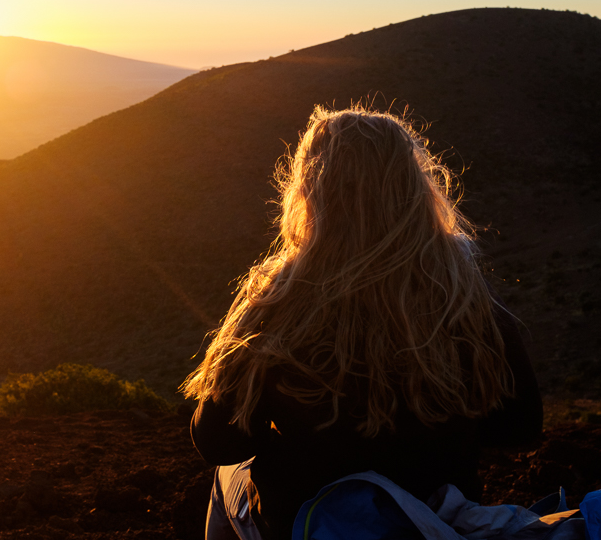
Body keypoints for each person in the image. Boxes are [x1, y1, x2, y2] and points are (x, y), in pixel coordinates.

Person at [181, 106, 543, 540]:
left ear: (311, 190)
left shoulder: (277, 297)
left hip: (309, 520)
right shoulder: (462, 292)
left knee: (227, 478)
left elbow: (218, 442)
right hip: (434, 521)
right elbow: (521, 426)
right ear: (412, 188)